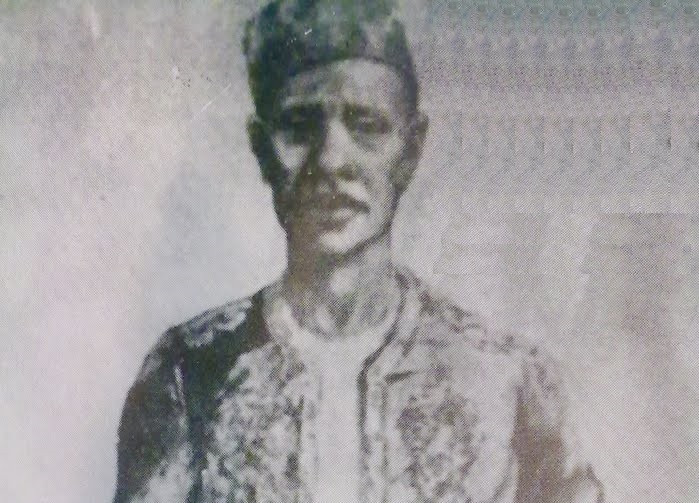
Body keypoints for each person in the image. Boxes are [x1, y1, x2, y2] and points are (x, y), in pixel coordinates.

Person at [113, 1, 604, 501]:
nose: (331, 160)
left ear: (411, 149)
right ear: (261, 149)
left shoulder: (509, 383)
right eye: (299, 126)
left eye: (366, 125)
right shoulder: (188, 374)